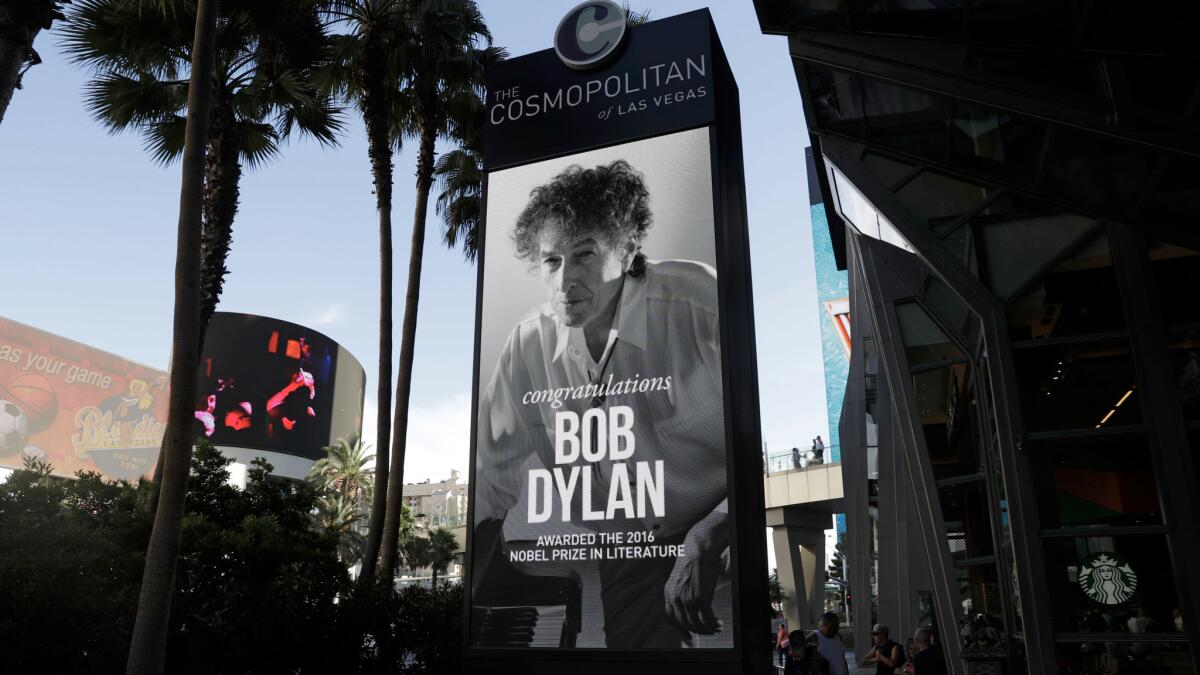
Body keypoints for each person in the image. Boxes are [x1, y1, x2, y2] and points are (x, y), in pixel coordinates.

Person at [474, 160, 728, 649]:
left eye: (585, 254)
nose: (565, 280)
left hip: (716, 518)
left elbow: (755, 439)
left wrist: (711, 534)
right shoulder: (526, 346)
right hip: (626, 542)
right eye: (552, 260)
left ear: (628, 248)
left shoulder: (701, 301)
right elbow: (490, 477)